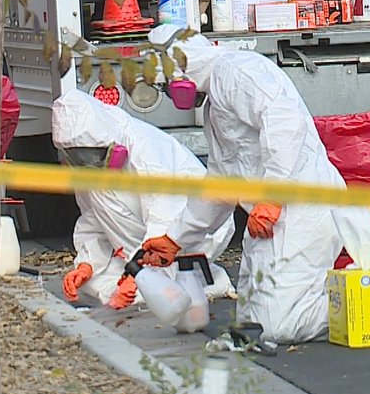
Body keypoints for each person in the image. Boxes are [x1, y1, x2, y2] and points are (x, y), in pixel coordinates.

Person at [138, 24, 370, 343]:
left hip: (303, 208)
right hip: (270, 219)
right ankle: (338, 295)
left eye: (168, 85)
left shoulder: (237, 72)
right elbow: (221, 186)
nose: (171, 94)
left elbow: (285, 124)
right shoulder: (215, 105)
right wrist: (176, 238)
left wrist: (273, 196)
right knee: (252, 322)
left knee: (279, 326)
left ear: (183, 67)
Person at [51, 89, 236, 309]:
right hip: (142, 246)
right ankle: (187, 281)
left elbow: (165, 221)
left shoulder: (146, 150)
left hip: (190, 233)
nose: (89, 163)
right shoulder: (87, 169)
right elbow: (92, 219)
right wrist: (87, 264)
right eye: (79, 157)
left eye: (93, 155)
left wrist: (139, 276)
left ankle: (197, 281)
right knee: (93, 285)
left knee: (152, 293)